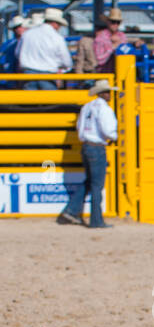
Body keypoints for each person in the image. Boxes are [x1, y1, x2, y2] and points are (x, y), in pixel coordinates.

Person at [58, 79, 116, 229]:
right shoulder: (104, 109)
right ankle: (96, 220)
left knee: (90, 181)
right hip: (97, 147)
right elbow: (108, 130)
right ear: (103, 93)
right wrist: (116, 137)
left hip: (86, 146)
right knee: (97, 185)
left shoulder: (87, 107)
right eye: (108, 92)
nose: (110, 95)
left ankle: (71, 210)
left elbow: (80, 127)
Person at [18, 8, 72, 90]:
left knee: (29, 101)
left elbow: (18, 53)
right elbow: (66, 60)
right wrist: (63, 67)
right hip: (48, 75)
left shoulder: (27, 34)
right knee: (49, 101)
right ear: (55, 23)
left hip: (28, 74)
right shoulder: (57, 37)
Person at [93, 7, 126, 72]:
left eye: (118, 22)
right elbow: (98, 60)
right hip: (104, 74)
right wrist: (112, 48)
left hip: (121, 73)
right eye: (113, 22)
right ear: (108, 22)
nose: (115, 24)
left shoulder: (122, 36)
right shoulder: (100, 38)